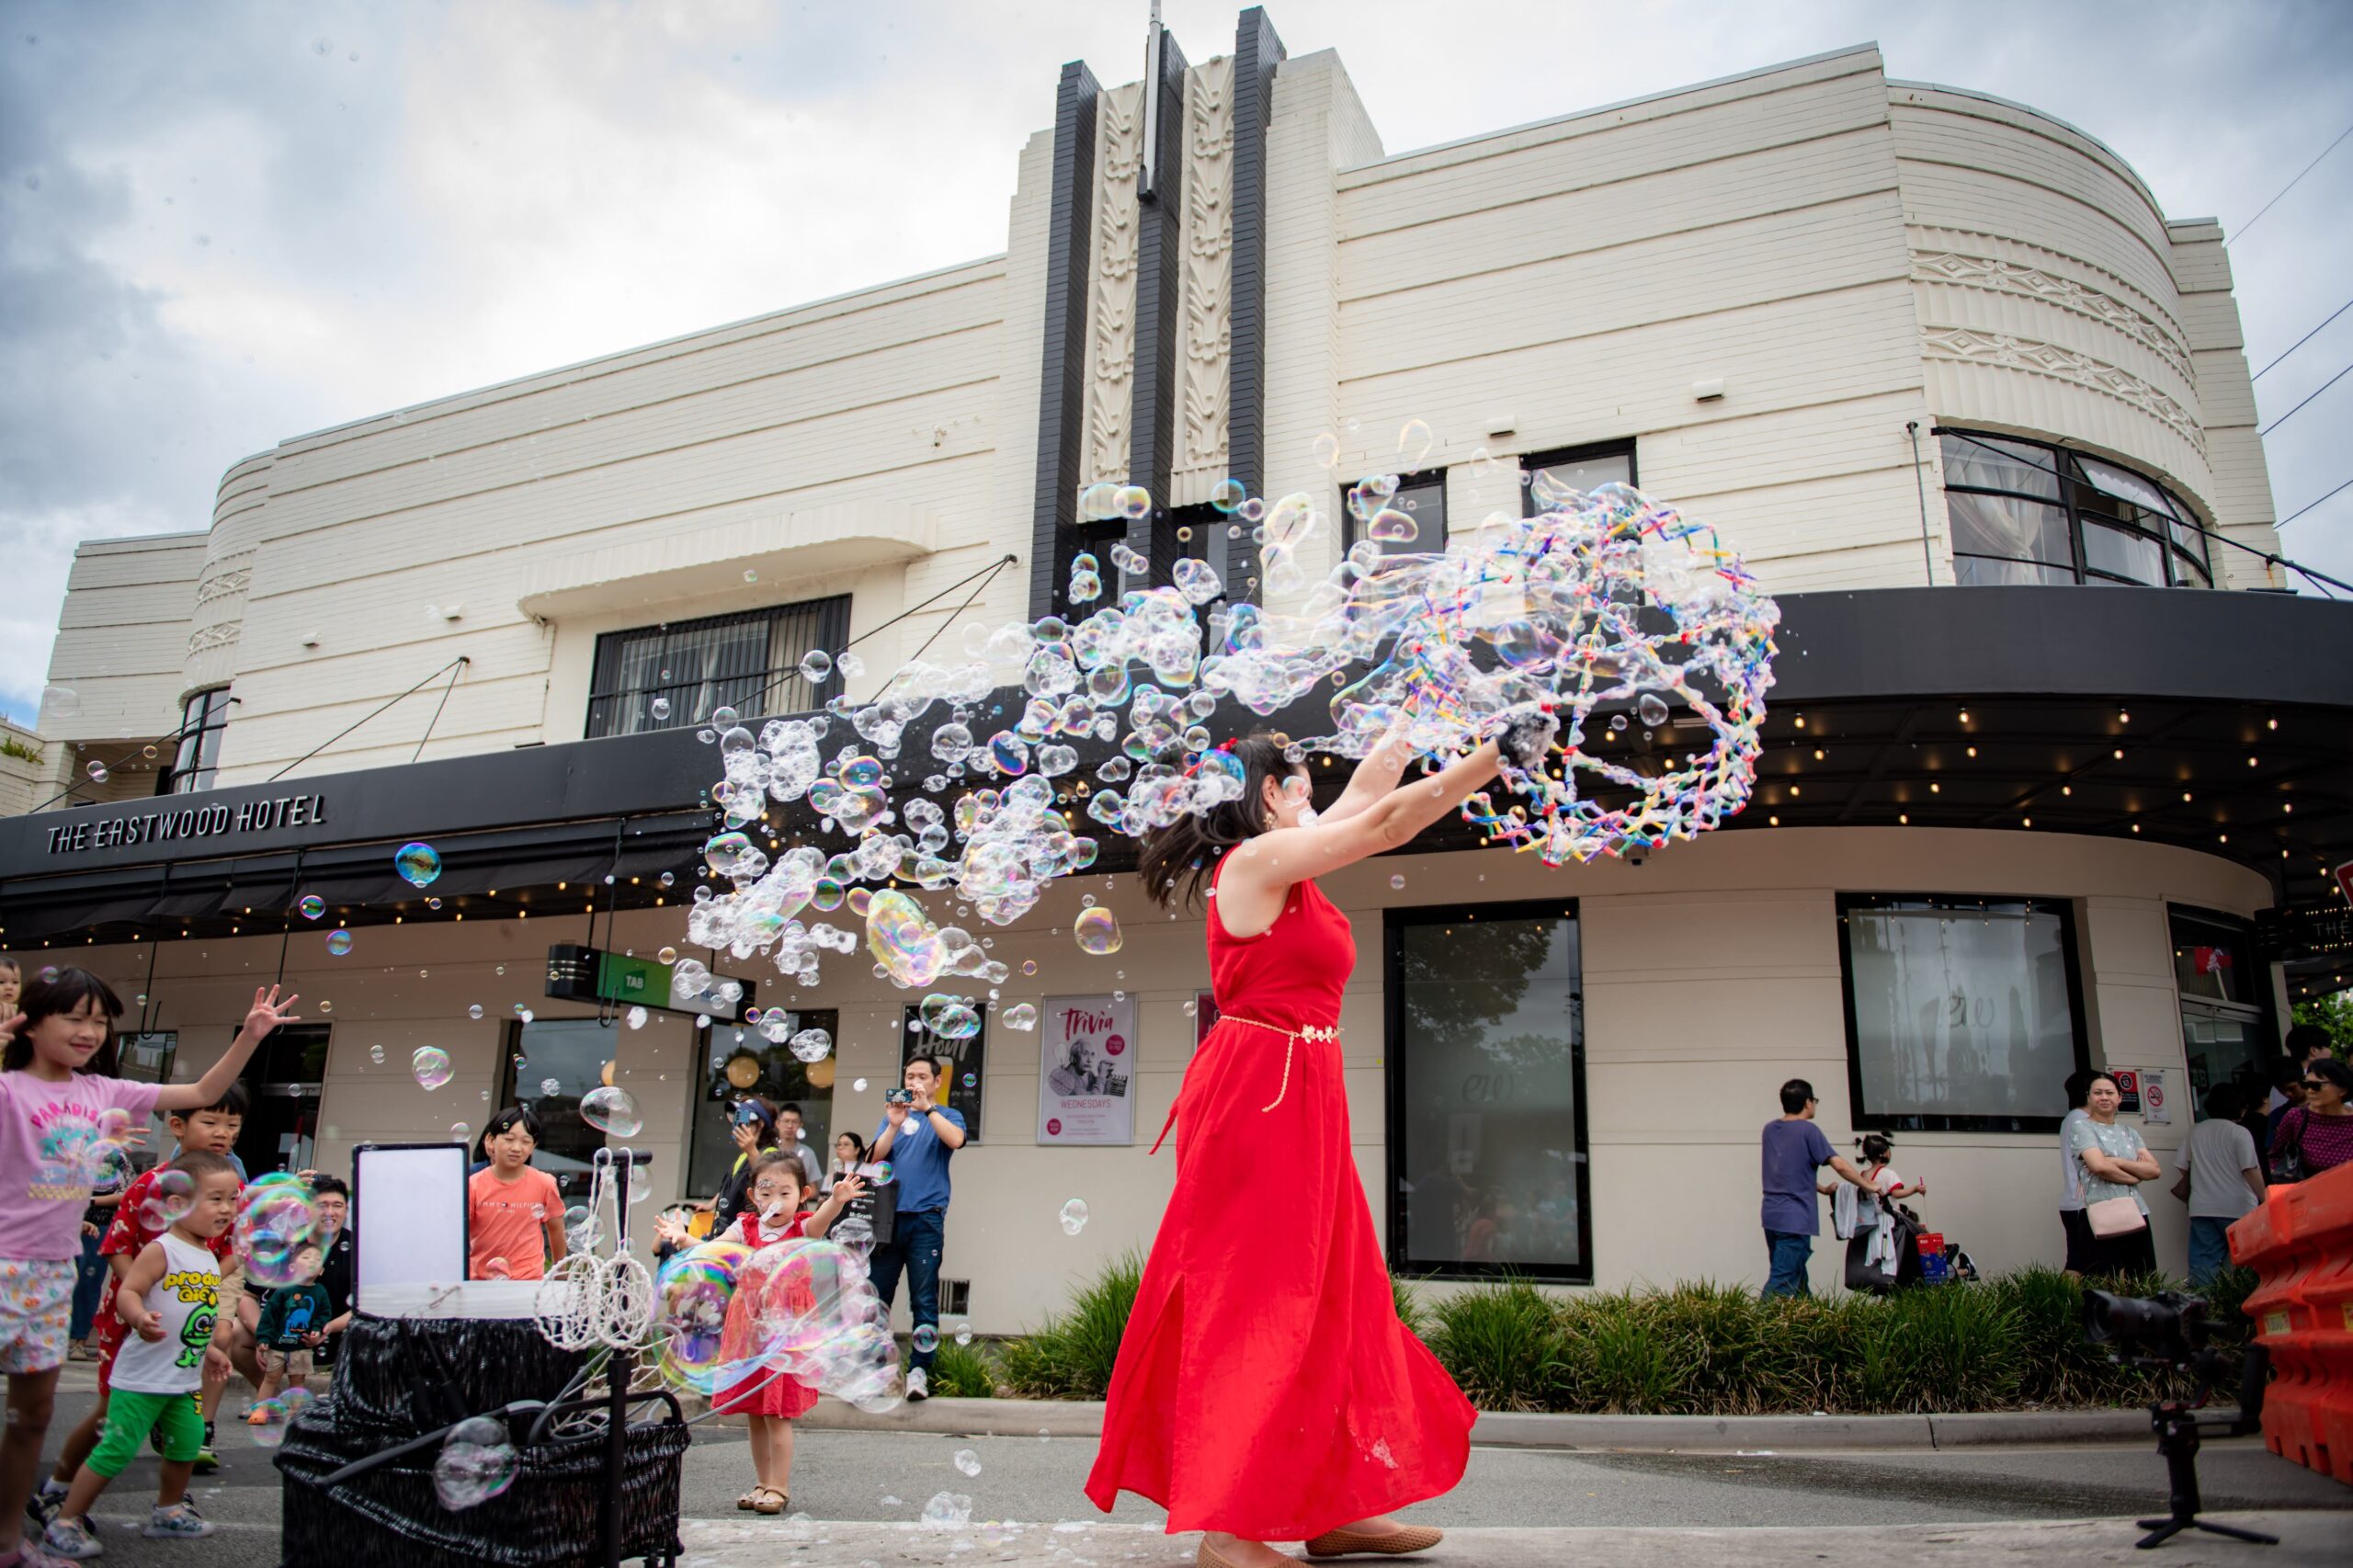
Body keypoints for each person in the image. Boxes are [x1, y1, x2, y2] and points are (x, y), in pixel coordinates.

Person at [1088, 718, 1549, 1568]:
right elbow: (1385, 822)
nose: (1318, 790)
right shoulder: (1254, 864)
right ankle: (1227, 1533)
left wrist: (1417, 714)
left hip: (1304, 1091)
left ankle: (1332, 1506)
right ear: (1269, 793)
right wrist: (1497, 754)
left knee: (1335, 1293)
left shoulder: (1290, 861)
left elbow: (1370, 793)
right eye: (1301, 778)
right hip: (1259, 1096)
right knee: (1259, 1298)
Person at [0, 975, 295, 1568]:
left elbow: (202, 1089)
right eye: (73, 1017)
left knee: (32, 1417)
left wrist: (251, 1035)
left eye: (99, 1021)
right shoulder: (9, 1089)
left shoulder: (103, 1090)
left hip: (54, 1273)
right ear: (31, 1022)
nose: (89, 1032)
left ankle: (9, 1542)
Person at [41, 1083, 253, 1521]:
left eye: (232, 1125)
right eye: (211, 1121)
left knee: (182, 1414)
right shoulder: (150, 1183)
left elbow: (224, 1257)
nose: (223, 1133)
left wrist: (204, 1285)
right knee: (109, 1410)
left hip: (184, 1321)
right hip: (133, 1317)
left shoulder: (233, 1191)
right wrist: (145, 1295)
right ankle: (58, 1486)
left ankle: (172, 1502)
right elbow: (116, 1246)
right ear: (178, 1125)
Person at [655, 1152, 865, 1515]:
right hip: (749, 1326)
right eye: (766, 1193)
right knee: (755, 1412)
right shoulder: (745, 1228)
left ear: (803, 1194)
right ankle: (762, 1481)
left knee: (777, 1413)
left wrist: (836, 1200)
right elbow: (713, 1250)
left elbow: (822, 1222)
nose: (775, 1202)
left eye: (785, 1193)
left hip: (787, 1328)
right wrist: (683, 1238)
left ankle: (779, 1486)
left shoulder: (801, 1228)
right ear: (753, 1196)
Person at [869, 1056, 965, 1403]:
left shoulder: (947, 1115)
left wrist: (927, 1110)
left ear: (937, 1081)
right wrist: (893, 1124)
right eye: (909, 1076)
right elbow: (874, 1159)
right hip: (888, 1219)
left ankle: (919, 1372)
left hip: (926, 1219)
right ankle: (875, 1372)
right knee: (877, 1296)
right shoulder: (893, 1117)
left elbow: (955, 1140)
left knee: (923, 1297)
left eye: (922, 1076)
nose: (914, 1082)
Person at [1757, 1078, 1876, 1298]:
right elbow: (1839, 1165)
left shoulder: (1770, 1130)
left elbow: (1787, 1171)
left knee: (1798, 1281)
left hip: (1772, 1216)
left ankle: (1810, 1316)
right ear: (1807, 1102)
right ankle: (1756, 1321)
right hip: (1795, 1219)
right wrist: (1869, 1185)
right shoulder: (1808, 1130)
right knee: (1782, 1282)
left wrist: (1822, 1189)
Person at [2168, 1084, 2264, 1286]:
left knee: (2203, 1263)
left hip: (2202, 1208)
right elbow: (2250, 1169)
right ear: (2241, 1108)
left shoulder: (2195, 1131)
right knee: (2245, 1260)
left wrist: (2204, 1178)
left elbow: (2183, 1167)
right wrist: (2266, 1198)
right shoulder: (2240, 1133)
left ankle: (2203, 1302)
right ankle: (2239, 1300)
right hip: (2238, 1208)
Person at [2069, 1071, 2162, 1275]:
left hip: (2135, 1211)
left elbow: (2154, 1170)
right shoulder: (2081, 1127)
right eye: (2098, 1093)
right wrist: (2134, 1176)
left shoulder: (2130, 1133)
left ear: (2119, 1098)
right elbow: (2098, 1166)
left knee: (2143, 1276)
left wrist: (2116, 1161)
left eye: (2110, 1093)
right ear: (2088, 1097)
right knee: (2101, 1280)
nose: (2104, 1097)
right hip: (2098, 1210)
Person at [467, 1107, 565, 1281]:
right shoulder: (473, 1185)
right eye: (509, 1139)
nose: (516, 1148)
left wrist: (561, 1274)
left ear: (533, 1146)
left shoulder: (544, 1183)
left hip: (529, 1281)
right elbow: (458, 1236)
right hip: (481, 1282)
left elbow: (556, 1229)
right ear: (490, 1140)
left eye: (526, 1141)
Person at [248, 1244, 328, 1407]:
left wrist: (316, 1329)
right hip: (277, 1345)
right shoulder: (284, 1290)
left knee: (298, 1380)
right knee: (271, 1378)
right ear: (292, 1268)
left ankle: (295, 1412)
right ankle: (260, 1410)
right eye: (306, 1257)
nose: (312, 1261)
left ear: (321, 1271)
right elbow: (269, 1315)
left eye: (317, 1259)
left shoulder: (320, 1292)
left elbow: (324, 1314)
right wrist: (263, 1338)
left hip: (301, 1346)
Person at [2271, 1057, 2353, 1180]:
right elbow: (2274, 1157)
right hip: (2312, 1190)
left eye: (2316, 1086)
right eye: (2306, 1085)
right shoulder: (2297, 1117)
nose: (2310, 1091)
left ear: (2342, 1090)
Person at [709, 1098, 779, 1236]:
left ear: (760, 1124)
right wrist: (710, 1205)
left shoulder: (771, 1153)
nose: (739, 1126)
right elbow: (731, 1191)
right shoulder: (743, 1156)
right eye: (737, 1120)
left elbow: (770, 1184)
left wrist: (752, 1150)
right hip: (724, 1232)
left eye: (746, 1122)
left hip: (745, 1236)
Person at [2056, 1069, 2097, 1276]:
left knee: (2081, 1262)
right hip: (2084, 1203)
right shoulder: (2081, 1120)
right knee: (2078, 1263)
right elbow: (2096, 1162)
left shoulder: (2073, 1119)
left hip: (2077, 1201)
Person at [774, 1104, 822, 1191]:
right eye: (786, 1121)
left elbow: (813, 1189)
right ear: (777, 1123)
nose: (790, 1126)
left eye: (795, 1122)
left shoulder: (808, 1153)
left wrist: (793, 1194)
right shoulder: (769, 1151)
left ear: (800, 1125)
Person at [822, 1131, 869, 1195]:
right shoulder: (830, 1177)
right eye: (839, 1144)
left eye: (846, 1144)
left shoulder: (866, 1175)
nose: (840, 1147)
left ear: (857, 1150)